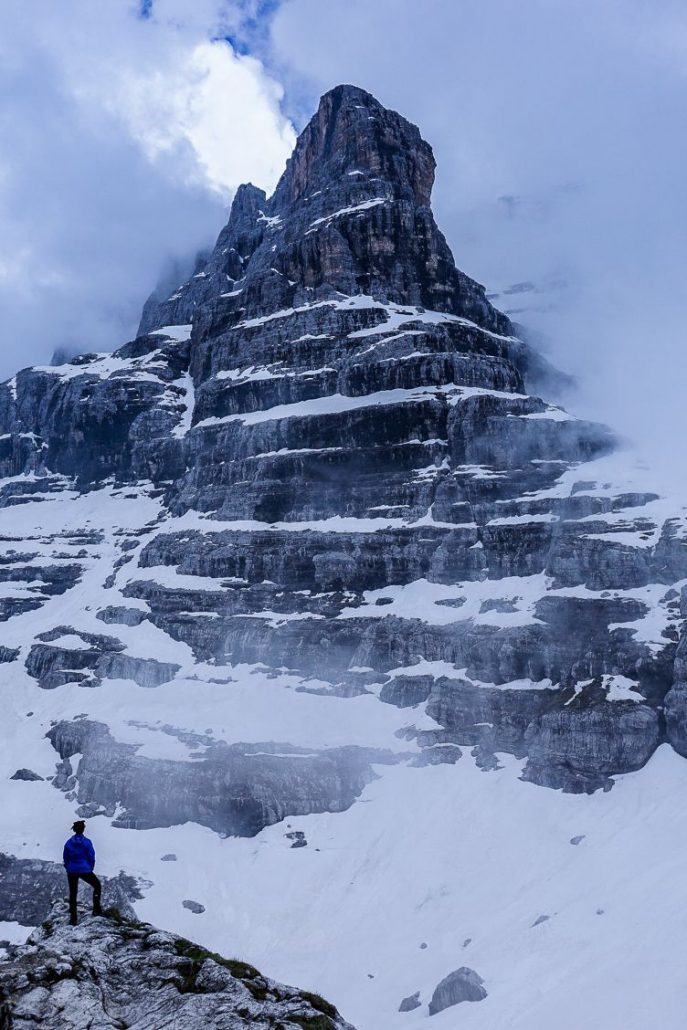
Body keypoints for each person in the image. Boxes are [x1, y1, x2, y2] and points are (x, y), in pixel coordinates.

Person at [63, 820, 102, 925]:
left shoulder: (69, 842)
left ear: (74, 830)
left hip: (72, 870)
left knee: (73, 893)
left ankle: (73, 919)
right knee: (97, 886)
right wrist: (90, 868)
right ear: (83, 829)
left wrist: (68, 867)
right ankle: (96, 910)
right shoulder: (86, 842)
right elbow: (91, 856)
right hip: (85, 869)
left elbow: (65, 857)